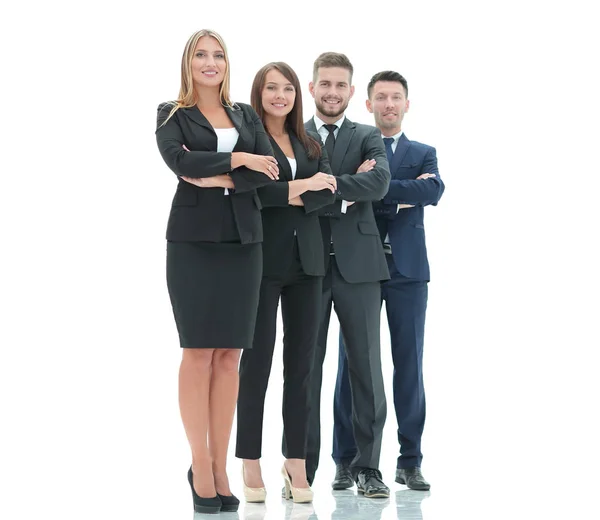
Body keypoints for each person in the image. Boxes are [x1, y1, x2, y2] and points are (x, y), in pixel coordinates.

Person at [155, 29, 279, 514]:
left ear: (228, 63)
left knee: (230, 357)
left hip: (245, 243)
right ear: (189, 63)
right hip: (193, 245)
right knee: (198, 353)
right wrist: (238, 160)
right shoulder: (171, 113)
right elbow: (176, 161)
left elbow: (266, 167)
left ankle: (222, 466)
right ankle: (200, 465)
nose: (211, 62)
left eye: (218, 55)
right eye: (201, 55)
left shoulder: (246, 115)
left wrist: (220, 171)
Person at [335, 71, 445, 491]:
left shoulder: (423, 151)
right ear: (368, 104)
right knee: (352, 367)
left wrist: (375, 186)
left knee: (409, 365)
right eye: (380, 97)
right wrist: (402, 192)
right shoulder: (356, 146)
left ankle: (409, 460)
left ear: (406, 104)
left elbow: (433, 192)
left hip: (408, 272)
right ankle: (345, 461)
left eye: (395, 97)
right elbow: (344, 190)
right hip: (360, 267)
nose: (388, 104)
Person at [235, 62, 337, 505]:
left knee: (302, 366)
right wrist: (304, 185)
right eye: (272, 88)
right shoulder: (248, 139)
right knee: (255, 364)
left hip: (308, 264)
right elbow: (253, 192)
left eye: (288, 88)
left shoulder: (309, 141)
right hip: (262, 261)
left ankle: (295, 459)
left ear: (298, 94)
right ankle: (249, 459)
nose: (281, 95)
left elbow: (329, 190)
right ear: (259, 93)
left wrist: (295, 189)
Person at [303, 52, 391, 498]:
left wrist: (324, 185)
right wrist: (346, 183)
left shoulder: (369, 134)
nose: (332, 92)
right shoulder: (292, 134)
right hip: (307, 266)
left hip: (360, 268)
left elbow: (379, 185)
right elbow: (283, 193)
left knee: (367, 371)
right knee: (305, 369)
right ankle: (303, 471)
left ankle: (368, 468)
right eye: (325, 84)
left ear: (352, 92)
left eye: (341, 85)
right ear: (313, 87)